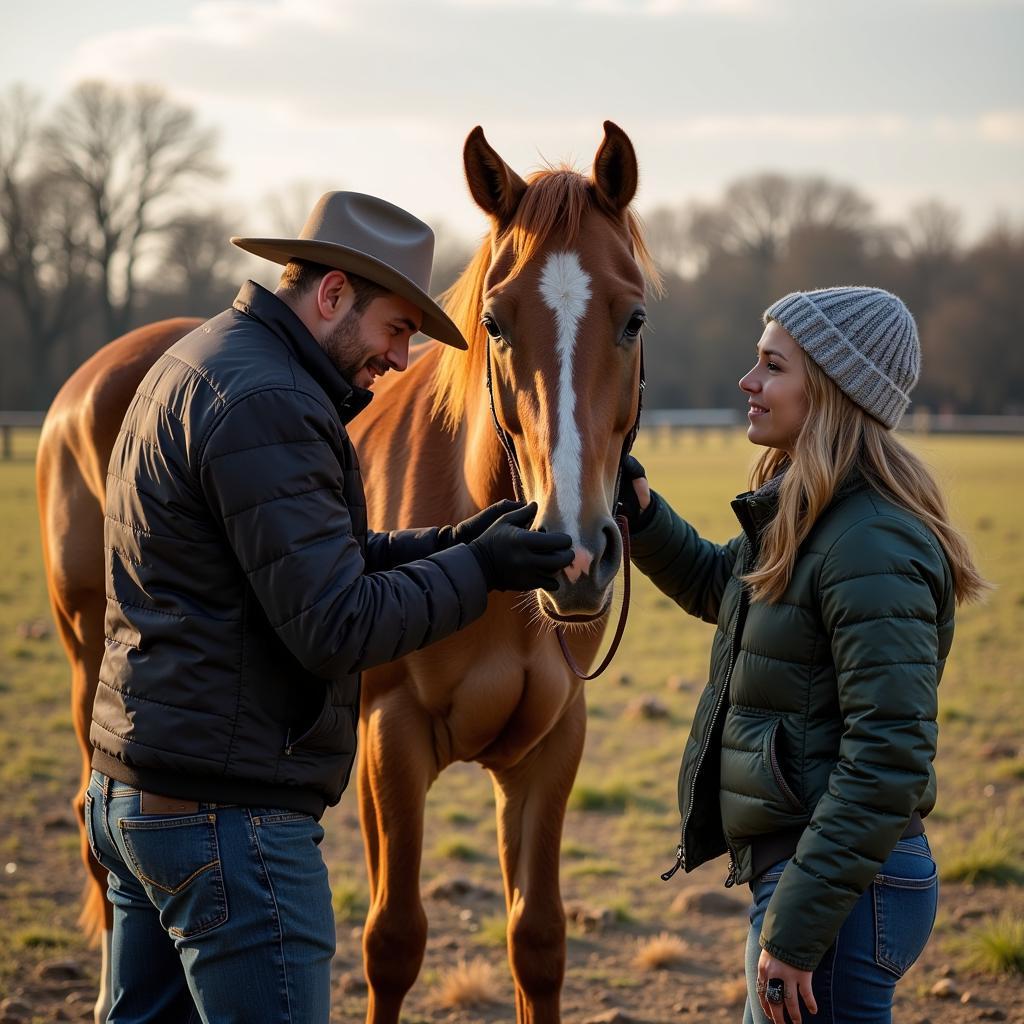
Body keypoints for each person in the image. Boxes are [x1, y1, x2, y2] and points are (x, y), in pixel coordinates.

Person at [85, 191, 575, 1022]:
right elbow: (336, 623)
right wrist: (480, 571)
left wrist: (458, 542)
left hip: (142, 791)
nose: (401, 359)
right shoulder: (270, 406)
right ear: (334, 293)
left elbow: (305, 564)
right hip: (227, 821)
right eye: (395, 330)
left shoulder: (209, 362)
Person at [616, 287, 987, 1024]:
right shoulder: (812, 512)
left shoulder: (870, 540)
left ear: (830, 389)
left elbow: (888, 755)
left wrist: (799, 927)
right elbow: (727, 588)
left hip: (845, 890)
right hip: (824, 878)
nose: (748, 383)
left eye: (771, 365)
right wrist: (644, 512)